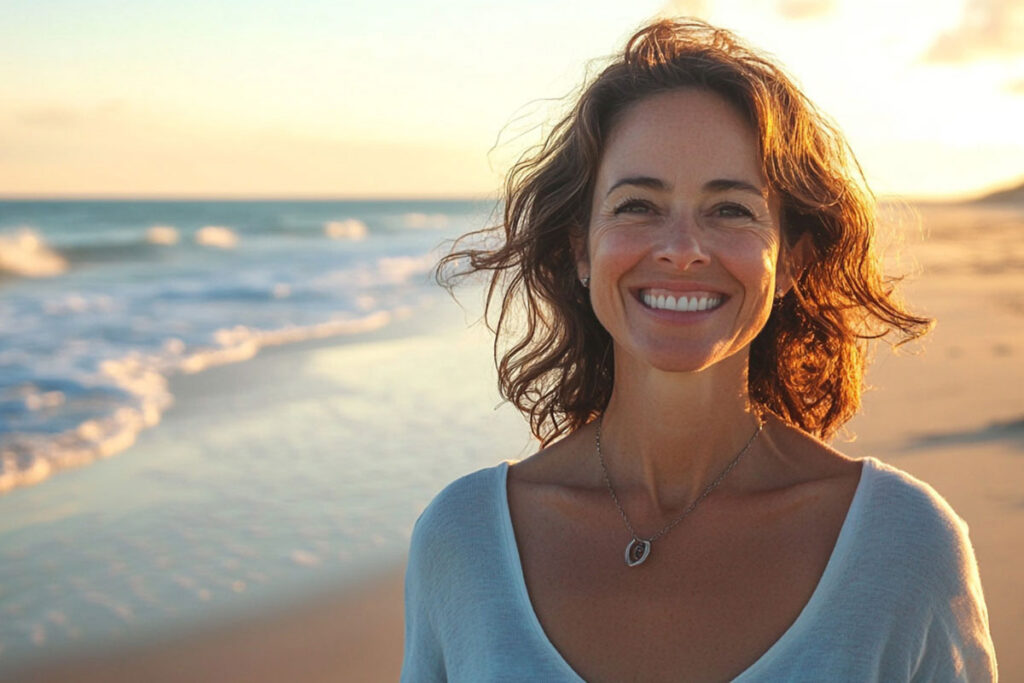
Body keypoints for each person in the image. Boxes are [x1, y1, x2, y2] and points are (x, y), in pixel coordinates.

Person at [401, 17, 997, 682]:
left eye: (731, 210)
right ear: (579, 247)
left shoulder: (902, 547)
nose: (682, 248)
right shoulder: (465, 542)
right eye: (637, 206)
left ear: (792, 259)